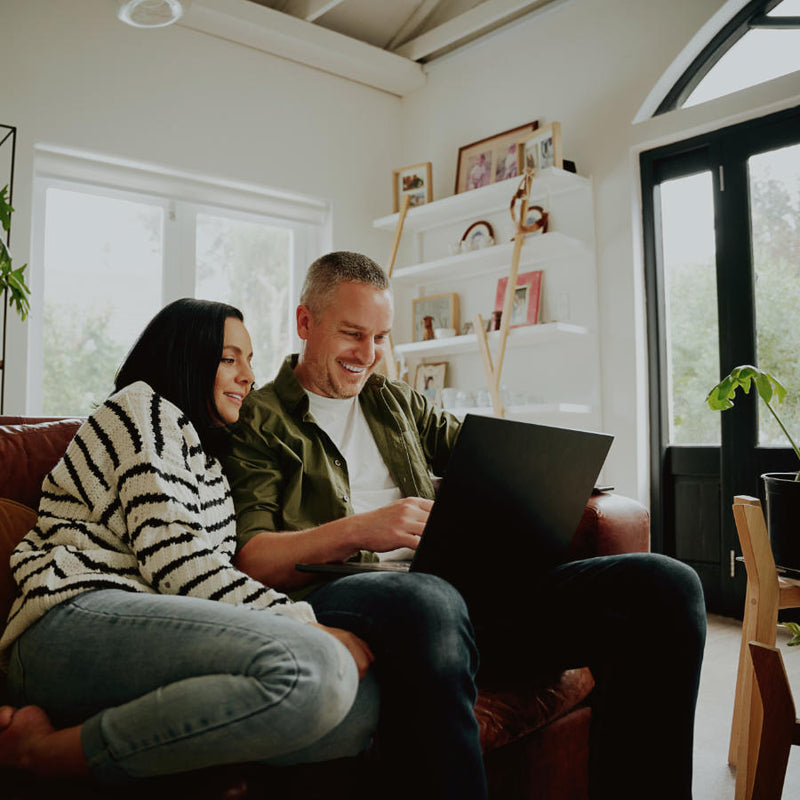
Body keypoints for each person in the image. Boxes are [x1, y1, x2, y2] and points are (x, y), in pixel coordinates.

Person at [225, 251, 708, 800]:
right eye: (353, 334)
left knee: (666, 586)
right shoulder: (258, 422)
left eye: (381, 337)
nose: (369, 355)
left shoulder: (395, 400)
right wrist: (364, 529)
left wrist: (548, 479)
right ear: (306, 323)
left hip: (459, 597)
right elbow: (254, 558)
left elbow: (484, 456)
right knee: (429, 600)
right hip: (356, 596)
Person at [0, 298, 379, 787]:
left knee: (359, 706)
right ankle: (47, 753)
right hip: (71, 619)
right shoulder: (141, 407)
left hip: (154, 633)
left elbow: (201, 577)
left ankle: (171, 756)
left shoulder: (207, 462)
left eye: (250, 360)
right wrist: (302, 622)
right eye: (229, 358)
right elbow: (175, 559)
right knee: (317, 666)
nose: (248, 376)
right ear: (184, 356)